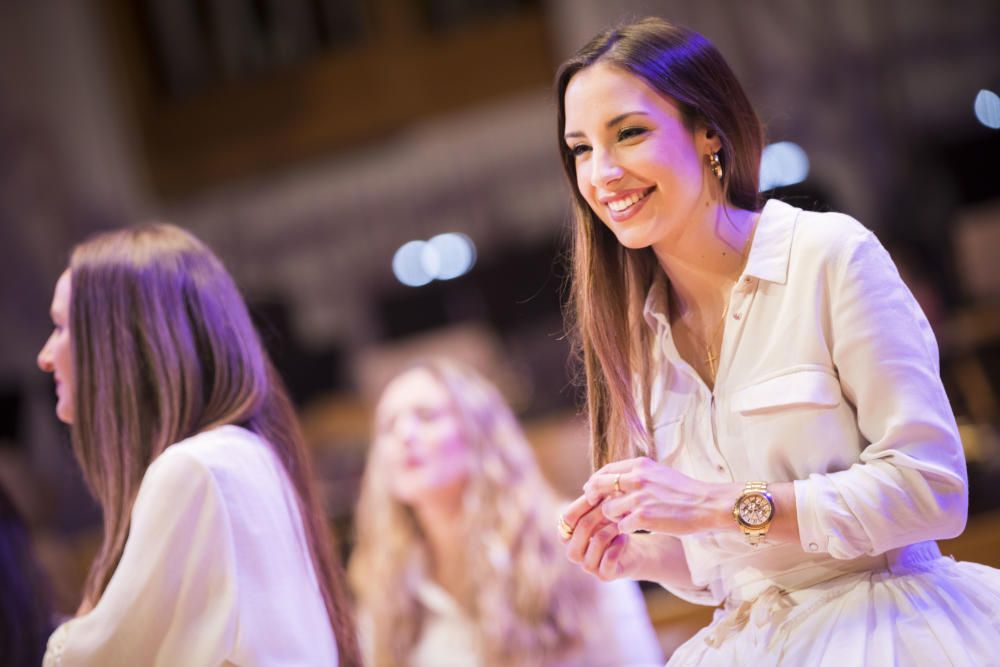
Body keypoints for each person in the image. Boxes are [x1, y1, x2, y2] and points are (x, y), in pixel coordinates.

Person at [554, 16, 1000, 666]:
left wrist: (716, 505)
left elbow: (933, 489)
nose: (603, 172)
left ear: (709, 131)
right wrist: (651, 553)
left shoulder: (828, 256)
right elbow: (737, 562)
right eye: (581, 148)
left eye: (630, 133)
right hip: (751, 641)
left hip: (889, 631)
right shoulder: (639, 334)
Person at [37, 224, 360, 666]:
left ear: (118, 341)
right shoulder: (244, 453)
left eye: (60, 327)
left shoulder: (194, 469)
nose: (45, 356)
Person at [349, 359, 663, 666]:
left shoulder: (566, 537)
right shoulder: (386, 579)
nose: (405, 434)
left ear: (479, 432)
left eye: (427, 416)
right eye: (388, 426)